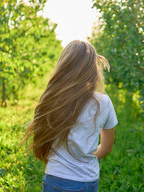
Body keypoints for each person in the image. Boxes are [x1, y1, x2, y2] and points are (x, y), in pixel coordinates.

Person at [23, 40, 118, 192]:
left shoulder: (52, 98)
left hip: (55, 176)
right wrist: (82, 156)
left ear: (64, 66)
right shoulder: (103, 103)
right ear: (93, 69)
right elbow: (106, 148)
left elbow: (40, 138)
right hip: (86, 180)